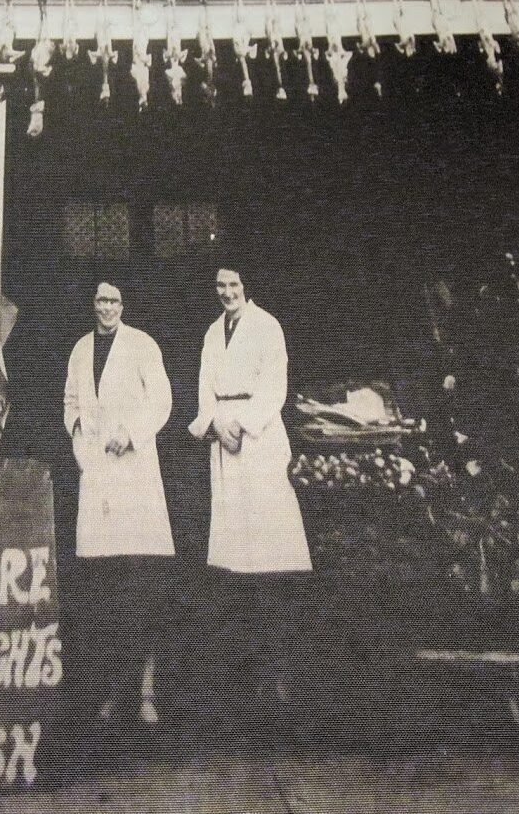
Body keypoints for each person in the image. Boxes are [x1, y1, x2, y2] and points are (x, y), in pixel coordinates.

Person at [188, 265, 312, 707]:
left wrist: (242, 425)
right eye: (220, 285)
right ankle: (239, 679)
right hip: (224, 439)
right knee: (233, 561)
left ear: (247, 287)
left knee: (269, 558)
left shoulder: (267, 327)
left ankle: (277, 675)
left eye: (234, 285)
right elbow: (204, 389)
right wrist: (215, 426)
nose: (227, 293)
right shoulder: (211, 333)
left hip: (257, 442)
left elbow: (274, 387)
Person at [63, 281, 176, 724]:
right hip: (97, 476)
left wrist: (130, 434)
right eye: (100, 300)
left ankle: (145, 691)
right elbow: (71, 399)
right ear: (92, 305)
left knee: (141, 590)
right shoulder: (79, 349)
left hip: (135, 477)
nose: (107, 307)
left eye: (113, 301)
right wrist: (76, 432)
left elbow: (162, 401)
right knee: (102, 591)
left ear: (123, 305)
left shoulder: (142, 345)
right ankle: (111, 692)